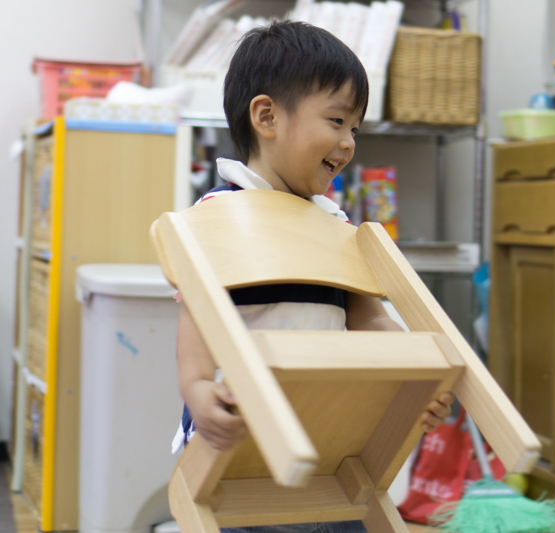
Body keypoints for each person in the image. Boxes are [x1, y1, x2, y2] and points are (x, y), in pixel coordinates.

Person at [172, 20, 455, 533]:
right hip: (244, 438)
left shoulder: (334, 225)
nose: (348, 143)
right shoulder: (220, 216)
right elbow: (199, 312)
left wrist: (414, 378)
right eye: (337, 120)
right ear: (267, 117)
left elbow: (370, 319)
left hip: (330, 434)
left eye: (355, 130)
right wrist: (196, 387)